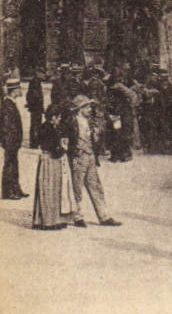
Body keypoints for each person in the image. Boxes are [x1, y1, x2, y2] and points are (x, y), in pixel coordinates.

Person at [64, 95, 119, 227]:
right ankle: (78, 216)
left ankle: (104, 216)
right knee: (77, 187)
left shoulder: (90, 121)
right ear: (80, 108)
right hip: (78, 156)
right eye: (87, 107)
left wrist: (97, 136)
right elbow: (66, 141)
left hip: (90, 156)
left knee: (95, 185)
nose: (90, 109)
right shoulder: (71, 122)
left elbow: (97, 139)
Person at [31, 103, 76, 229]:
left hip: (51, 161)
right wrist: (64, 148)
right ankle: (49, 221)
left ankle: (52, 219)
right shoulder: (47, 128)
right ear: (53, 117)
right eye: (58, 117)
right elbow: (52, 148)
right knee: (49, 190)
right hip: (50, 161)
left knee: (53, 190)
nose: (60, 119)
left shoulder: (49, 127)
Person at [0, 77, 28, 199]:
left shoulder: (10, 103)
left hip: (13, 142)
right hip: (10, 142)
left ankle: (15, 189)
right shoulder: (8, 104)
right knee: (9, 165)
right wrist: (10, 144)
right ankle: (8, 192)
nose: (21, 91)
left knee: (14, 165)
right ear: (14, 90)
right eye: (19, 88)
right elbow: (7, 127)